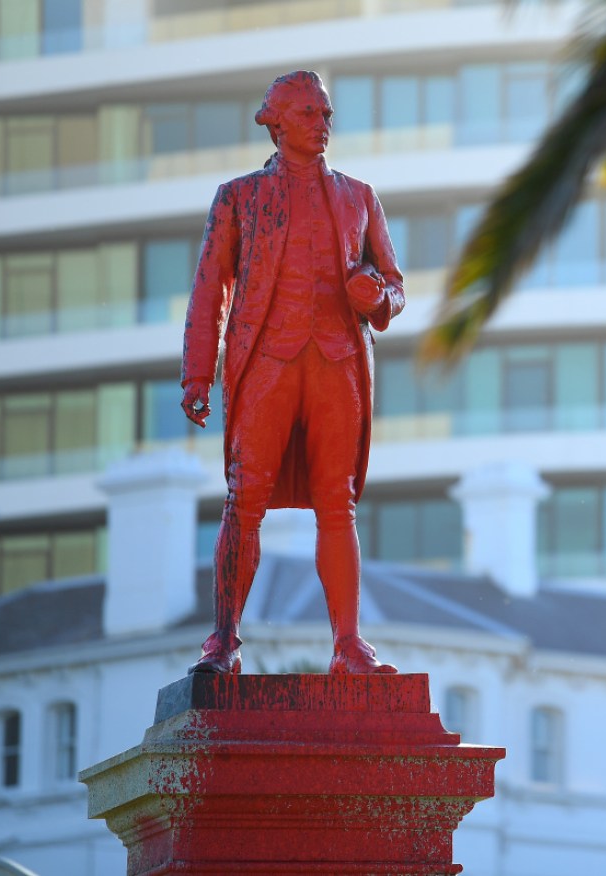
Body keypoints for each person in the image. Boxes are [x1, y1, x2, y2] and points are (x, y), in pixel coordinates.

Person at [180, 71, 404, 675]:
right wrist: (197, 373)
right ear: (276, 124)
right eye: (308, 113)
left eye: (326, 112)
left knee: (339, 503)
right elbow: (209, 292)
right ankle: (223, 641)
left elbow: (396, 287)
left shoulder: (360, 196)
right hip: (267, 364)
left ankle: (348, 646)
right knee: (243, 497)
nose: (322, 123)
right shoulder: (239, 197)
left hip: (337, 366)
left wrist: (375, 294)